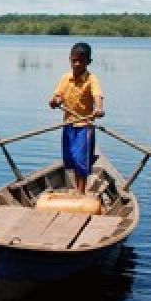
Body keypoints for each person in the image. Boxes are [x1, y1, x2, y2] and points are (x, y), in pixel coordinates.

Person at [48, 41, 105, 194]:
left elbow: (97, 96)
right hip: (68, 125)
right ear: (70, 60)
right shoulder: (65, 78)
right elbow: (57, 97)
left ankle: (80, 193)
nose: (77, 64)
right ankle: (76, 189)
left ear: (89, 62)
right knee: (70, 160)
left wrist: (99, 109)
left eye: (81, 61)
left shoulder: (91, 79)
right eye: (74, 60)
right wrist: (55, 101)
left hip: (84, 127)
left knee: (81, 160)